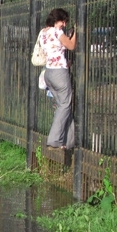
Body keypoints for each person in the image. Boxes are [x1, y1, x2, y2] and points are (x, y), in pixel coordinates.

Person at [40, 8, 77, 149]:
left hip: (48, 73)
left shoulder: (43, 32)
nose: (65, 25)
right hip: (59, 73)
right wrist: (75, 34)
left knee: (64, 106)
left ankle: (68, 142)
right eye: (64, 21)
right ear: (58, 20)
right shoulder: (57, 31)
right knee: (65, 105)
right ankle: (54, 140)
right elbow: (71, 46)